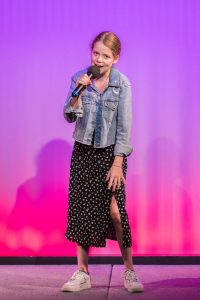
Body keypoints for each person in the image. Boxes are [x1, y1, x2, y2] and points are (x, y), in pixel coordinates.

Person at [61, 31, 144, 293]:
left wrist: (118, 162)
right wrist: (78, 91)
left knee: (116, 212)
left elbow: (124, 128)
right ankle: (82, 273)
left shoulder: (123, 85)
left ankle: (129, 271)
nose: (99, 59)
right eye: (96, 53)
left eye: (105, 55)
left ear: (115, 58)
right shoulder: (79, 77)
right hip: (83, 152)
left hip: (110, 155)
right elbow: (69, 116)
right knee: (82, 210)